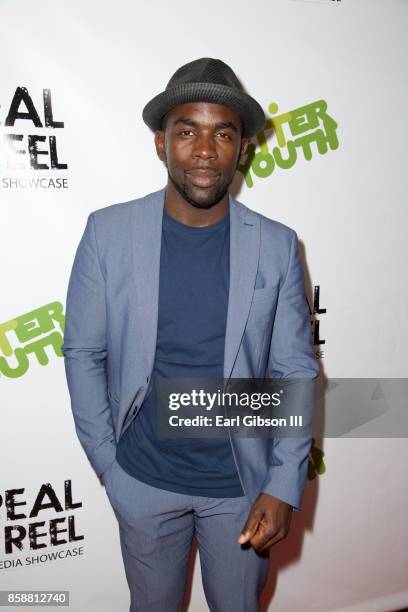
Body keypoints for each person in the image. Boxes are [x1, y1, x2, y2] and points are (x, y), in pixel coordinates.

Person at [61, 57, 319, 612]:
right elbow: (83, 350)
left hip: (241, 488)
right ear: (161, 143)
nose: (204, 150)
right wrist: (110, 465)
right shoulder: (108, 233)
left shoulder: (276, 245)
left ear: (243, 148)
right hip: (142, 479)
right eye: (187, 131)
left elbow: (296, 368)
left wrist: (282, 483)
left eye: (223, 133)